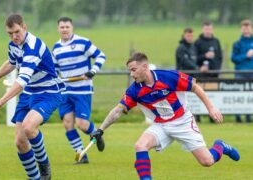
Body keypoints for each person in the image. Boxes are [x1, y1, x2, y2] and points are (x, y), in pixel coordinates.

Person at [91, 52, 240, 180]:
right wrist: (101, 129)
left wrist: (211, 108)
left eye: (134, 70)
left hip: (183, 122)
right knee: (140, 146)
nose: (131, 74)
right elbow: (118, 110)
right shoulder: (134, 90)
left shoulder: (167, 77)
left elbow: (195, 87)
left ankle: (220, 146)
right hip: (161, 125)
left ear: (145, 67)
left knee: (207, 161)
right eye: (130, 71)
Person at [0, 14, 65, 180]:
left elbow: (22, 80)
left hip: (48, 93)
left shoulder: (33, 47)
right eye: (10, 33)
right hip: (29, 93)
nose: (14, 36)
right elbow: (11, 62)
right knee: (20, 142)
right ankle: (35, 178)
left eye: (17, 32)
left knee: (29, 127)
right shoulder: (13, 45)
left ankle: (44, 167)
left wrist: (1, 101)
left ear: (24, 27)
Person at [51, 17, 106, 164]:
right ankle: (81, 155)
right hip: (66, 91)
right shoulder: (56, 48)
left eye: (67, 27)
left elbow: (101, 56)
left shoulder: (83, 42)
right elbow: (55, 70)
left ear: (72, 27)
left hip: (82, 89)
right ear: (58, 29)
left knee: (81, 124)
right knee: (67, 124)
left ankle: (96, 134)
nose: (64, 29)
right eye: (62, 27)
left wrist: (93, 70)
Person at [195, 22, 222, 123]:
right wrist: (204, 56)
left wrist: (217, 69)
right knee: (201, 95)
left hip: (214, 74)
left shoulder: (216, 41)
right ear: (202, 29)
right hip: (202, 75)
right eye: (206, 29)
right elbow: (195, 58)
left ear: (212, 29)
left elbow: (220, 57)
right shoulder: (198, 42)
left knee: (213, 96)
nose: (208, 31)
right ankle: (198, 117)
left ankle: (213, 117)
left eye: (209, 29)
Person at [175, 27, 201, 123]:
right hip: (182, 78)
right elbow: (185, 62)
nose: (190, 37)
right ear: (184, 36)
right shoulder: (181, 48)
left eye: (191, 36)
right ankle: (183, 117)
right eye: (188, 35)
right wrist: (197, 68)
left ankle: (195, 117)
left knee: (194, 98)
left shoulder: (193, 47)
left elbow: (196, 60)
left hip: (193, 77)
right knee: (184, 98)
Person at [231, 19, 253, 123]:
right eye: (244, 28)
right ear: (241, 29)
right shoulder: (237, 44)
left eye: (248, 28)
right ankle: (238, 117)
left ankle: (249, 117)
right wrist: (246, 56)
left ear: (251, 28)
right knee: (238, 95)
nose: (246, 30)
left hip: (251, 73)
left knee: (250, 95)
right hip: (240, 73)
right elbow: (234, 58)